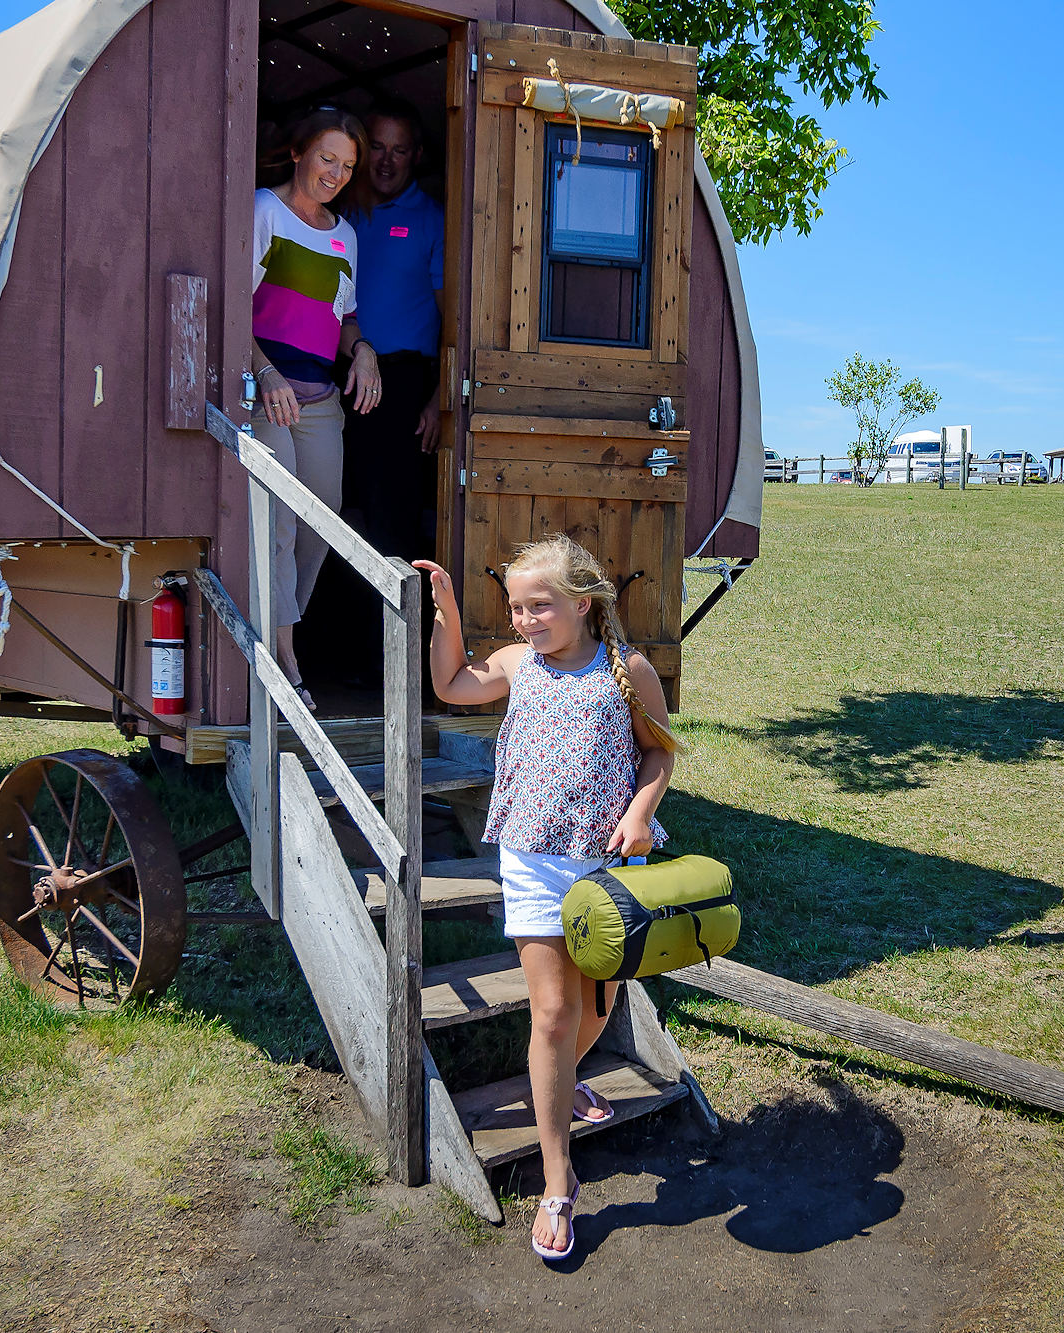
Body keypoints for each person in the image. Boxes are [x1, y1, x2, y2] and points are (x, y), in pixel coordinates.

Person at [411, 535, 680, 1263]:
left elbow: (659, 752)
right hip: (531, 862)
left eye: (540, 606)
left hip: (607, 868)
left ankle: (556, 1082)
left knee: (600, 1005)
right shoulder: (517, 664)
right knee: (555, 1012)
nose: (525, 619)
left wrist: (640, 810)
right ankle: (559, 1177)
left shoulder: (627, 673)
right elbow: (453, 685)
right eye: (516, 607)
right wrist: (446, 614)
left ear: (583, 604)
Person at [252, 107, 383, 707]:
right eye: (327, 158)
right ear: (299, 152)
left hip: (320, 394)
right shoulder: (264, 211)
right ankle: (286, 660)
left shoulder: (344, 233)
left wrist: (364, 354)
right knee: (277, 523)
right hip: (268, 392)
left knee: (320, 522)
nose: (335, 173)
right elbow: (232, 306)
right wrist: (265, 372)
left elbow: (342, 317)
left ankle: (282, 628)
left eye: (347, 166)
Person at [345, 100, 444, 560]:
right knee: (336, 511)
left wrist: (439, 397)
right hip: (338, 375)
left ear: (418, 155)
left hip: (403, 386)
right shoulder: (340, 207)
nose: (386, 161)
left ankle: (392, 631)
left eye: (399, 151)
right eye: (378, 148)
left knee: (393, 522)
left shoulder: (433, 219)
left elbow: (456, 316)